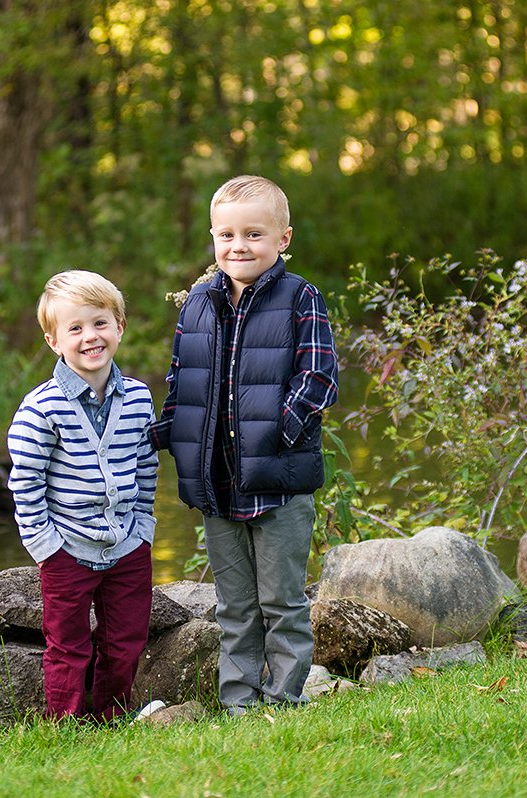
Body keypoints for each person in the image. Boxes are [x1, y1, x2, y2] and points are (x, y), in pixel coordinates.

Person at [150, 175, 339, 713]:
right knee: (235, 605)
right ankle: (238, 703)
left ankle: (282, 699)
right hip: (218, 483)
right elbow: (181, 383)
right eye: (227, 234)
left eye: (253, 234)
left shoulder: (300, 296)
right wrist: (167, 437)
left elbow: (319, 379)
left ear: (283, 238)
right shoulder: (198, 305)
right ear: (213, 238)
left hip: (278, 483)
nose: (239, 246)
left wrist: (277, 430)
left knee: (281, 601)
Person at [7, 270, 158, 722]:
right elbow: (26, 481)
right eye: (75, 328)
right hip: (67, 547)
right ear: (54, 341)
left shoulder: (138, 398)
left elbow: (147, 465)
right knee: (67, 643)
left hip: (128, 544)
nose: (89, 337)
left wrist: (145, 526)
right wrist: (44, 546)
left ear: (119, 327)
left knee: (126, 639)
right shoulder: (42, 408)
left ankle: (112, 716)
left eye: (99, 323)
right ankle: (66, 722)